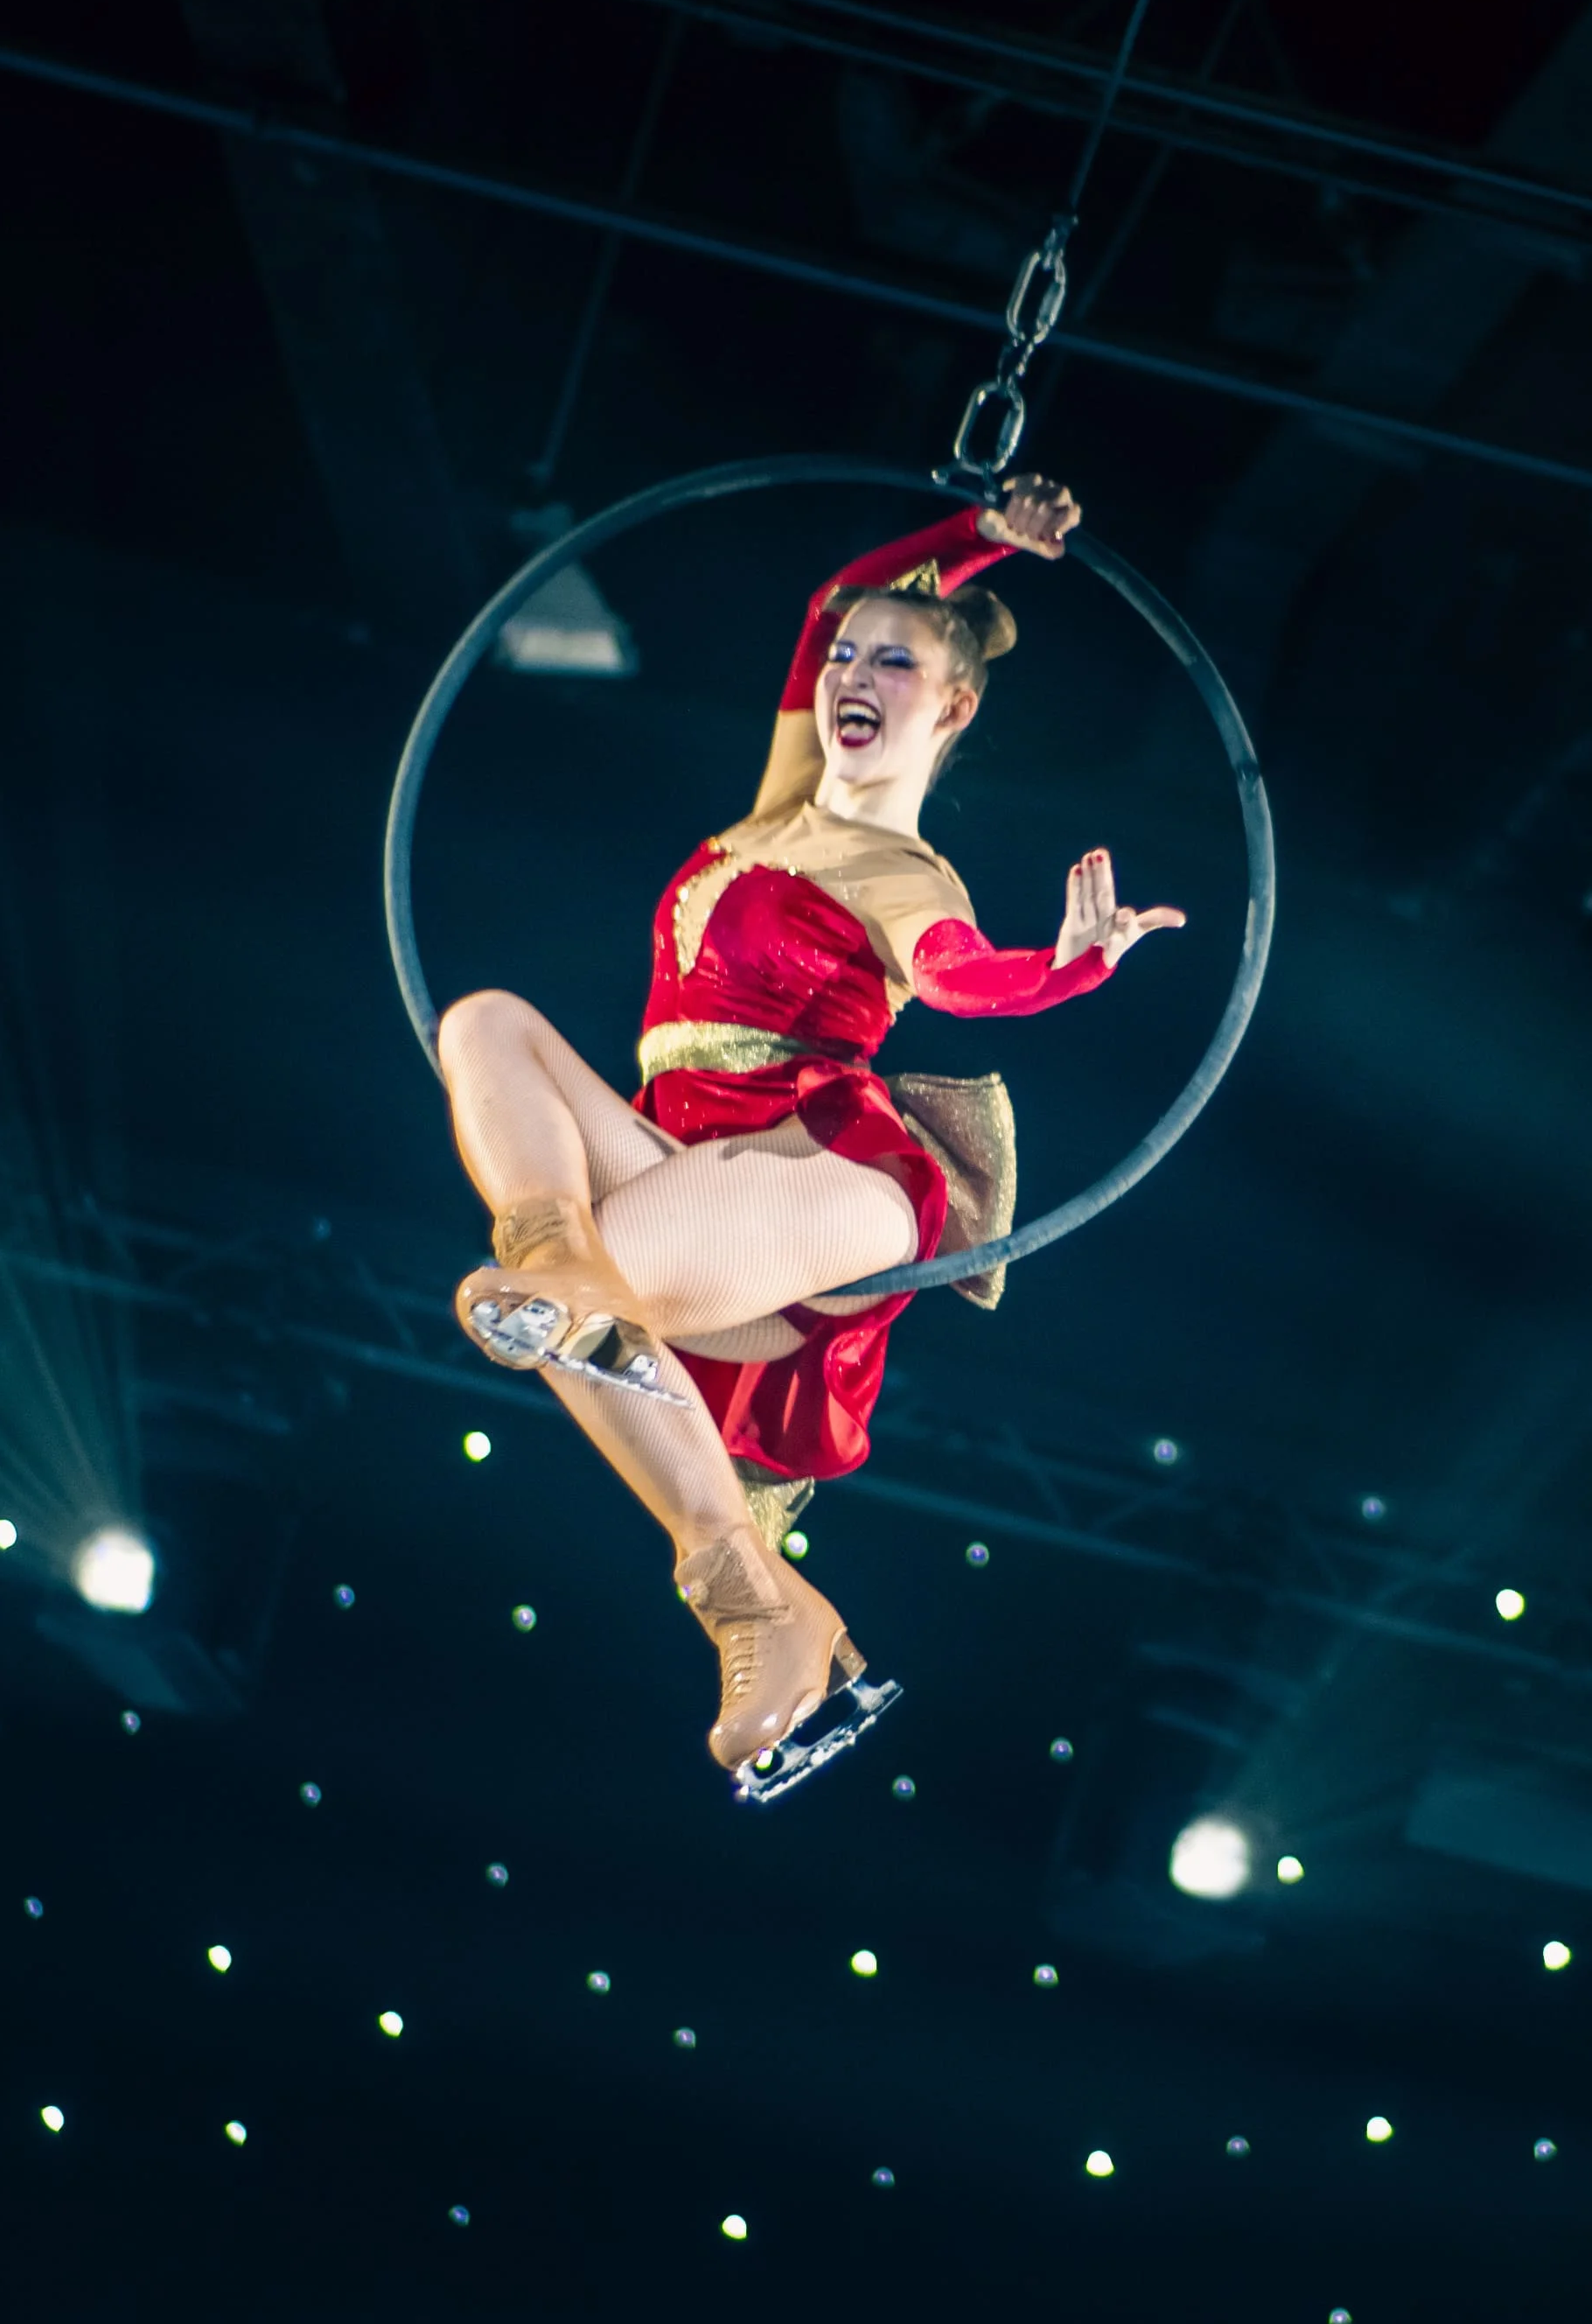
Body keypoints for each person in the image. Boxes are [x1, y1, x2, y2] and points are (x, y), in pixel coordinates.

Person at [433, 472, 1191, 1801]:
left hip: (822, 1168)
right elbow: (833, 595)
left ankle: (741, 1593)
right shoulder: (785, 801)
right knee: (488, 1028)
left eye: (897, 663)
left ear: (952, 708)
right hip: (685, 1152)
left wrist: (1064, 969)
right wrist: (974, 540)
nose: (856, 668)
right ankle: (762, 1605)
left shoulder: (907, 875)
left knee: (571, 1295)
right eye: (850, 658)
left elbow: (961, 976)